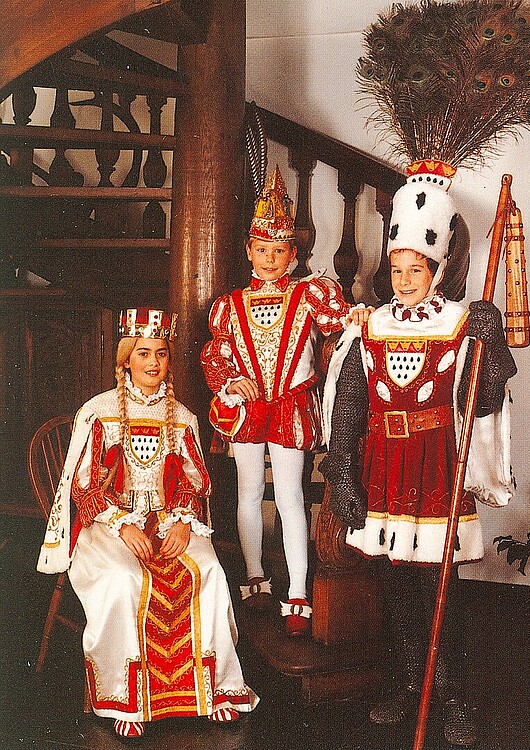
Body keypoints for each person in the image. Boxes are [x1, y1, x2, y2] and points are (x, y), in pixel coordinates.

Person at [320, 162, 517, 747]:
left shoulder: (460, 324)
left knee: (439, 591)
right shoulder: (371, 327)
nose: (405, 280)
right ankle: (406, 683)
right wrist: (342, 473)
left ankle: (449, 693)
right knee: (396, 586)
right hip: (385, 467)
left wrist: (492, 344)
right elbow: (350, 403)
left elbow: (483, 399)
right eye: (397, 269)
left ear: (437, 269)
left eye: (417, 270)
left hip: (435, 468)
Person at [37, 307, 258, 738]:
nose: (153, 362)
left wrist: (183, 521)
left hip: (169, 519)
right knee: (124, 578)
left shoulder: (183, 417)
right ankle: (124, 696)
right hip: (109, 521)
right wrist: (122, 524)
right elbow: (83, 486)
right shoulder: (99, 412)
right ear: (126, 358)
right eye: (143, 353)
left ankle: (216, 690)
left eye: (161, 352)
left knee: (208, 570)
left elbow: (194, 482)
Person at [200, 165, 370, 637]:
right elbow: (216, 353)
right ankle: (255, 577)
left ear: (293, 254)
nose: (270, 258)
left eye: (279, 250)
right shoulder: (230, 304)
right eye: (262, 250)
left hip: (292, 406)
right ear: (248, 251)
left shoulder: (311, 293)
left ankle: (297, 592)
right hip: (249, 409)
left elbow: (341, 324)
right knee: (249, 491)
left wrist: (357, 317)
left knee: (292, 497)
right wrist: (231, 381)